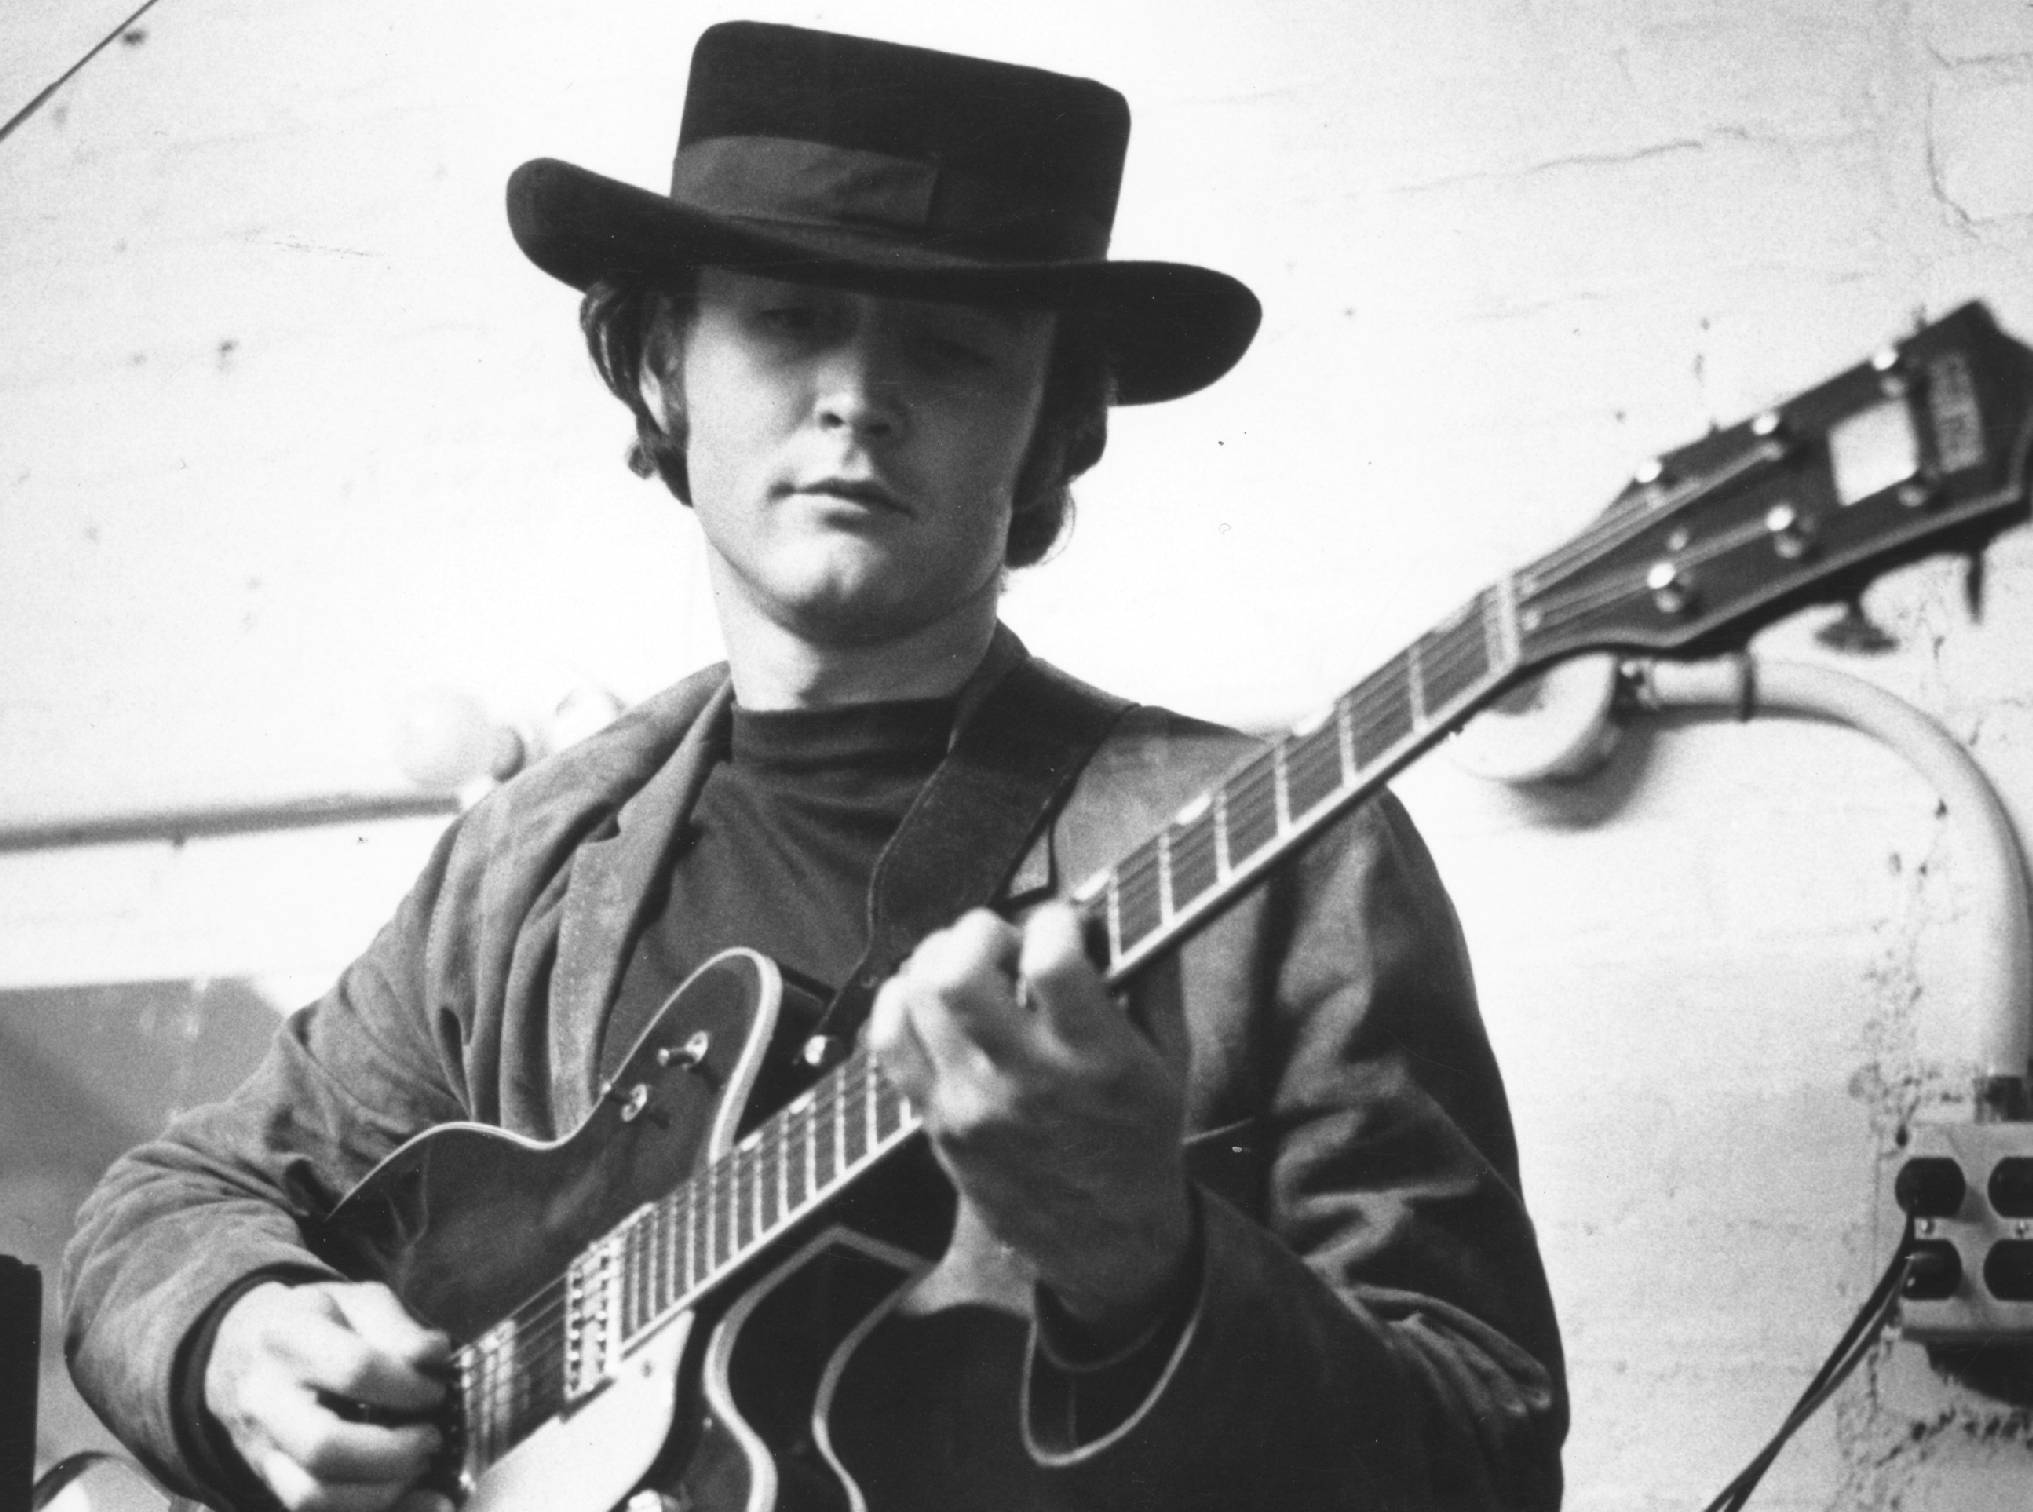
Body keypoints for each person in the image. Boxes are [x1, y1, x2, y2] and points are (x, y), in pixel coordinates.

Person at [63, 21, 1566, 1512]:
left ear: (1051, 423)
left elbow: (1484, 1454)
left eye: (949, 346)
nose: (857, 396)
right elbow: (165, 1209)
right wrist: (236, 1337)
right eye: (787, 320)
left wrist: (1153, 1264)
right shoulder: (525, 863)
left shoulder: (1283, 856)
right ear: (665, 362)